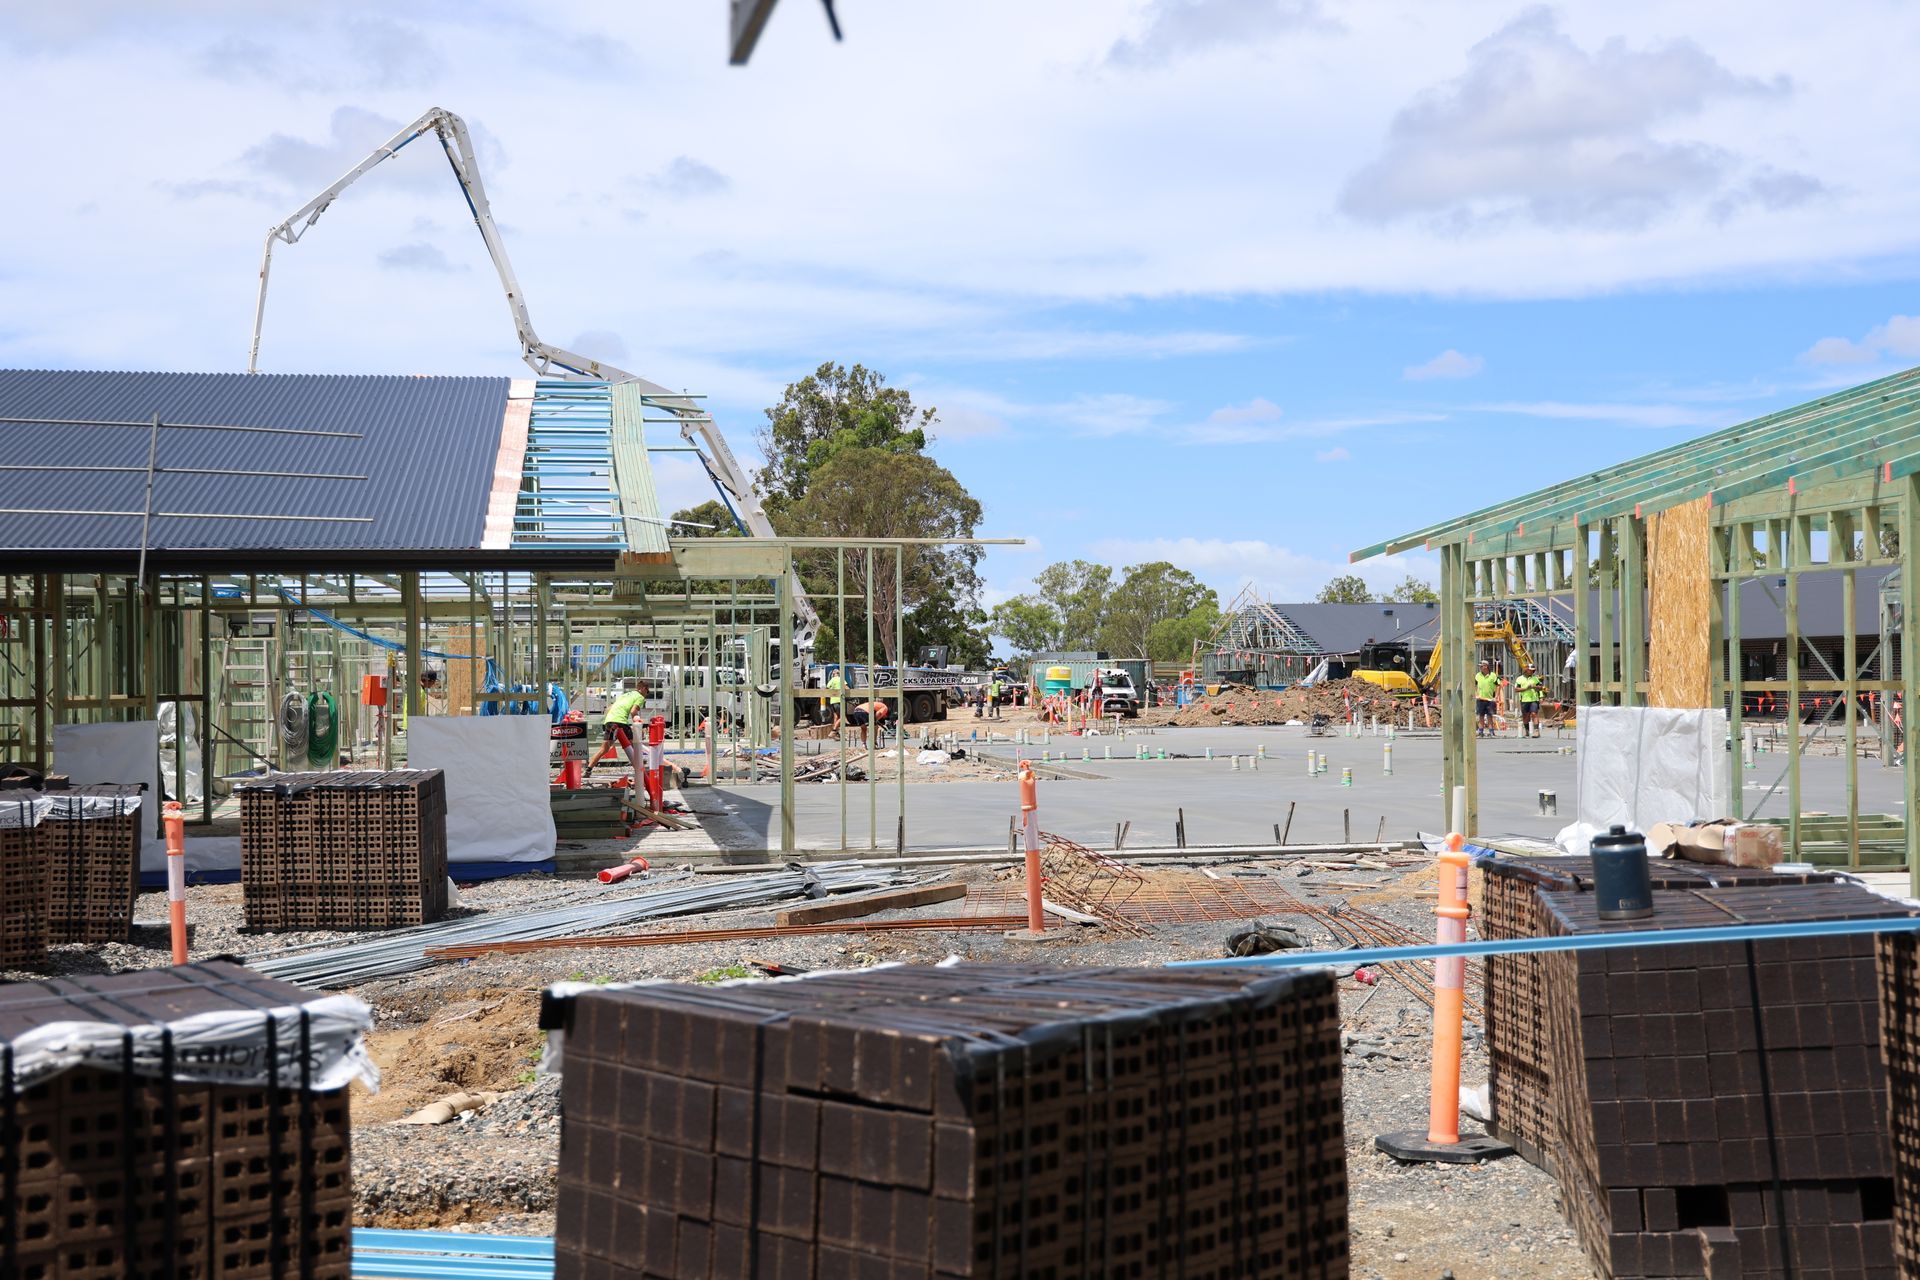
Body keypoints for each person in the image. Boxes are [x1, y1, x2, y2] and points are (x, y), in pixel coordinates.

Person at [588, 680, 645, 773]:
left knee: (604, 749)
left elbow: (609, 708)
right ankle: (642, 773)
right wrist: (639, 727)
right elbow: (633, 711)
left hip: (610, 721)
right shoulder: (640, 697)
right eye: (647, 692)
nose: (646, 695)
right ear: (643, 689)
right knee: (635, 747)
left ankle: (588, 769)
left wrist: (607, 722)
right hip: (620, 722)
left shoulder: (624, 695)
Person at [1473, 660, 1501, 738]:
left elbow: (1498, 685)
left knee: (1490, 715)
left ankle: (1491, 732)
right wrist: (1476, 694)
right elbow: (1473, 685)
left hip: (1490, 699)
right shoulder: (1478, 675)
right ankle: (1480, 732)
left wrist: (1496, 696)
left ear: (1486, 666)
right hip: (1480, 699)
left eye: (1481, 666)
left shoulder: (1493, 675)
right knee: (1481, 715)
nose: (1480, 668)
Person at [1513, 669, 1544, 738]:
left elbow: (1541, 688)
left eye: (1533, 671)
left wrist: (1535, 687)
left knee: (1534, 713)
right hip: (1524, 699)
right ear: (1526, 670)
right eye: (1530, 670)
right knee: (1526, 715)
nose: (1532, 672)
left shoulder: (1535, 678)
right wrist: (1526, 688)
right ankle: (1526, 731)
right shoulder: (1519, 679)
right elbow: (1516, 689)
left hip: (1534, 699)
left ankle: (1536, 731)